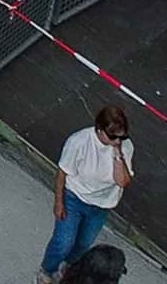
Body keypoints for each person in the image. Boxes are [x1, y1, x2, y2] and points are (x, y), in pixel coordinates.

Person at [44, 103, 135, 279]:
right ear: (99, 129)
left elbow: (122, 181)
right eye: (112, 136)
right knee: (63, 242)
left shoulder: (125, 147)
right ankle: (47, 270)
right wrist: (59, 202)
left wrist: (117, 152)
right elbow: (62, 173)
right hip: (75, 198)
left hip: (101, 205)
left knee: (83, 245)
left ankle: (68, 270)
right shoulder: (79, 142)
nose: (117, 141)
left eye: (121, 137)